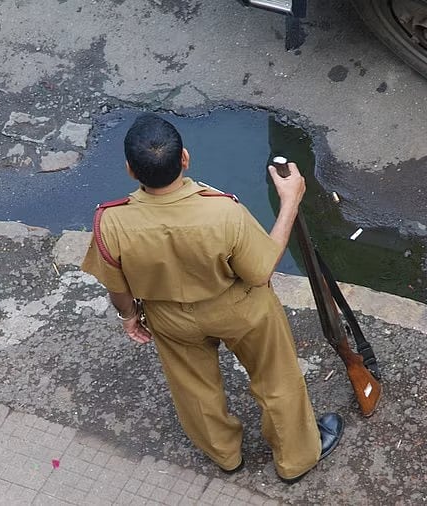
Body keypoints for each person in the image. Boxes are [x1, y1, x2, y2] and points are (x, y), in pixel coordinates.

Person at [81, 113, 343, 484]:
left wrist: (128, 316)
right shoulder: (222, 210)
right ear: (184, 158)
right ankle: (295, 459)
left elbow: (117, 285)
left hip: (168, 314)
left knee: (194, 389)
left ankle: (225, 455)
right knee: (275, 379)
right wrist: (290, 202)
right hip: (239, 307)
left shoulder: (110, 222)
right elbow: (260, 270)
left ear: (130, 170)